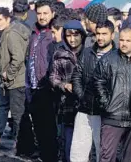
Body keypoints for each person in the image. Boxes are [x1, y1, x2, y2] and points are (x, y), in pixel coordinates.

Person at [94, 28, 131, 162]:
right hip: (112, 117)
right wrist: (106, 103)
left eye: (128, 40)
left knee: (130, 158)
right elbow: (98, 82)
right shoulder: (108, 59)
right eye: (121, 40)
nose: (124, 43)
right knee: (107, 156)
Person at [70, 20, 116, 162]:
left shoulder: (116, 56)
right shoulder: (87, 52)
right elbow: (77, 75)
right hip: (84, 108)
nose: (100, 37)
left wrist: (108, 104)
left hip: (105, 112)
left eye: (104, 34)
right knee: (78, 152)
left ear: (112, 35)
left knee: (103, 152)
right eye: (98, 34)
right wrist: (81, 96)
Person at [25, 0, 58, 162]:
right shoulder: (34, 33)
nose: (42, 16)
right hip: (33, 89)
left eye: (46, 13)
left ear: (53, 13)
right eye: (39, 13)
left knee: (49, 132)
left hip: (48, 90)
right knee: (39, 130)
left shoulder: (54, 34)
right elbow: (29, 61)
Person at [0, 6, 31, 149]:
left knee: (17, 113)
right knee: (3, 107)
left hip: (16, 81)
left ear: (8, 18)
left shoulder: (12, 34)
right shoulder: (5, 32)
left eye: (0, 19)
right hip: (8, 81)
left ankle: (20, 142)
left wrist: (8, 74)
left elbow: (18, 58)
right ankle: (0, 136)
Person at [49, 20, 87, 162]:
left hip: (86, 105)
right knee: (68, 144)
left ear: (82, 35)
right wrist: (63, 85)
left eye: (76, 35)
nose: (72, 39)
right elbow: (53, 77)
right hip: (66, 105)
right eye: (69, 35)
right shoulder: (59, 53)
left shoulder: (89, 53)